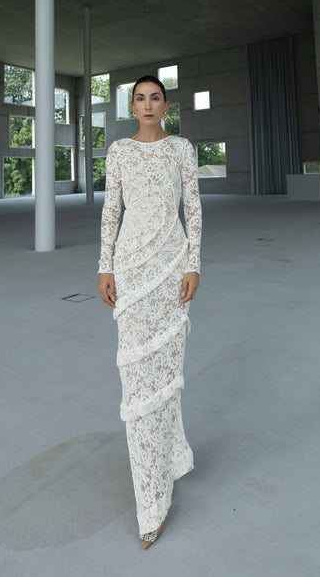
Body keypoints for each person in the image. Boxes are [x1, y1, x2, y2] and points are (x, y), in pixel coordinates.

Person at [98, 75, 202, 549]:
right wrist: (105, 267)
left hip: (171, 266)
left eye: (154, 97)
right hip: (132, 271)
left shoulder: (181, 148)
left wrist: (194, 265)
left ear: (165, 105)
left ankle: (171, 456)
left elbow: (194, 208)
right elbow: (110, 213)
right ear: (132, 106)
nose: (146, 104)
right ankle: (151, 498)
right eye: (139, 98)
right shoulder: (118, 151)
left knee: (168, 372)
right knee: (137, 377)